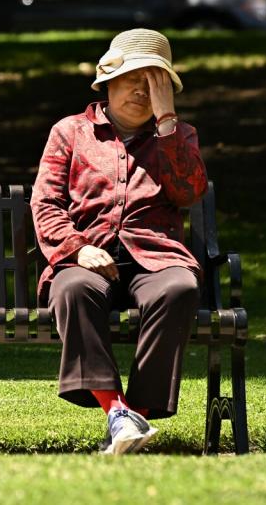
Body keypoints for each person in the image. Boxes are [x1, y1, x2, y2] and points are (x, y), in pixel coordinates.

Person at [30, 28, 208, 455]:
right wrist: (76, 248)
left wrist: (168, 124)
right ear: (107, 82)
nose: (141, 90)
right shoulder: (70, 132)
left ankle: (135, 419)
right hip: (87, 255)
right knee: (71, 288)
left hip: (155, 258)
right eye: (133, 78)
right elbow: (46, 203)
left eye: (153, 82)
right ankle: (117, 411)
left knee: (180, 288)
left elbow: (188, 192)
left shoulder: (180, 136)